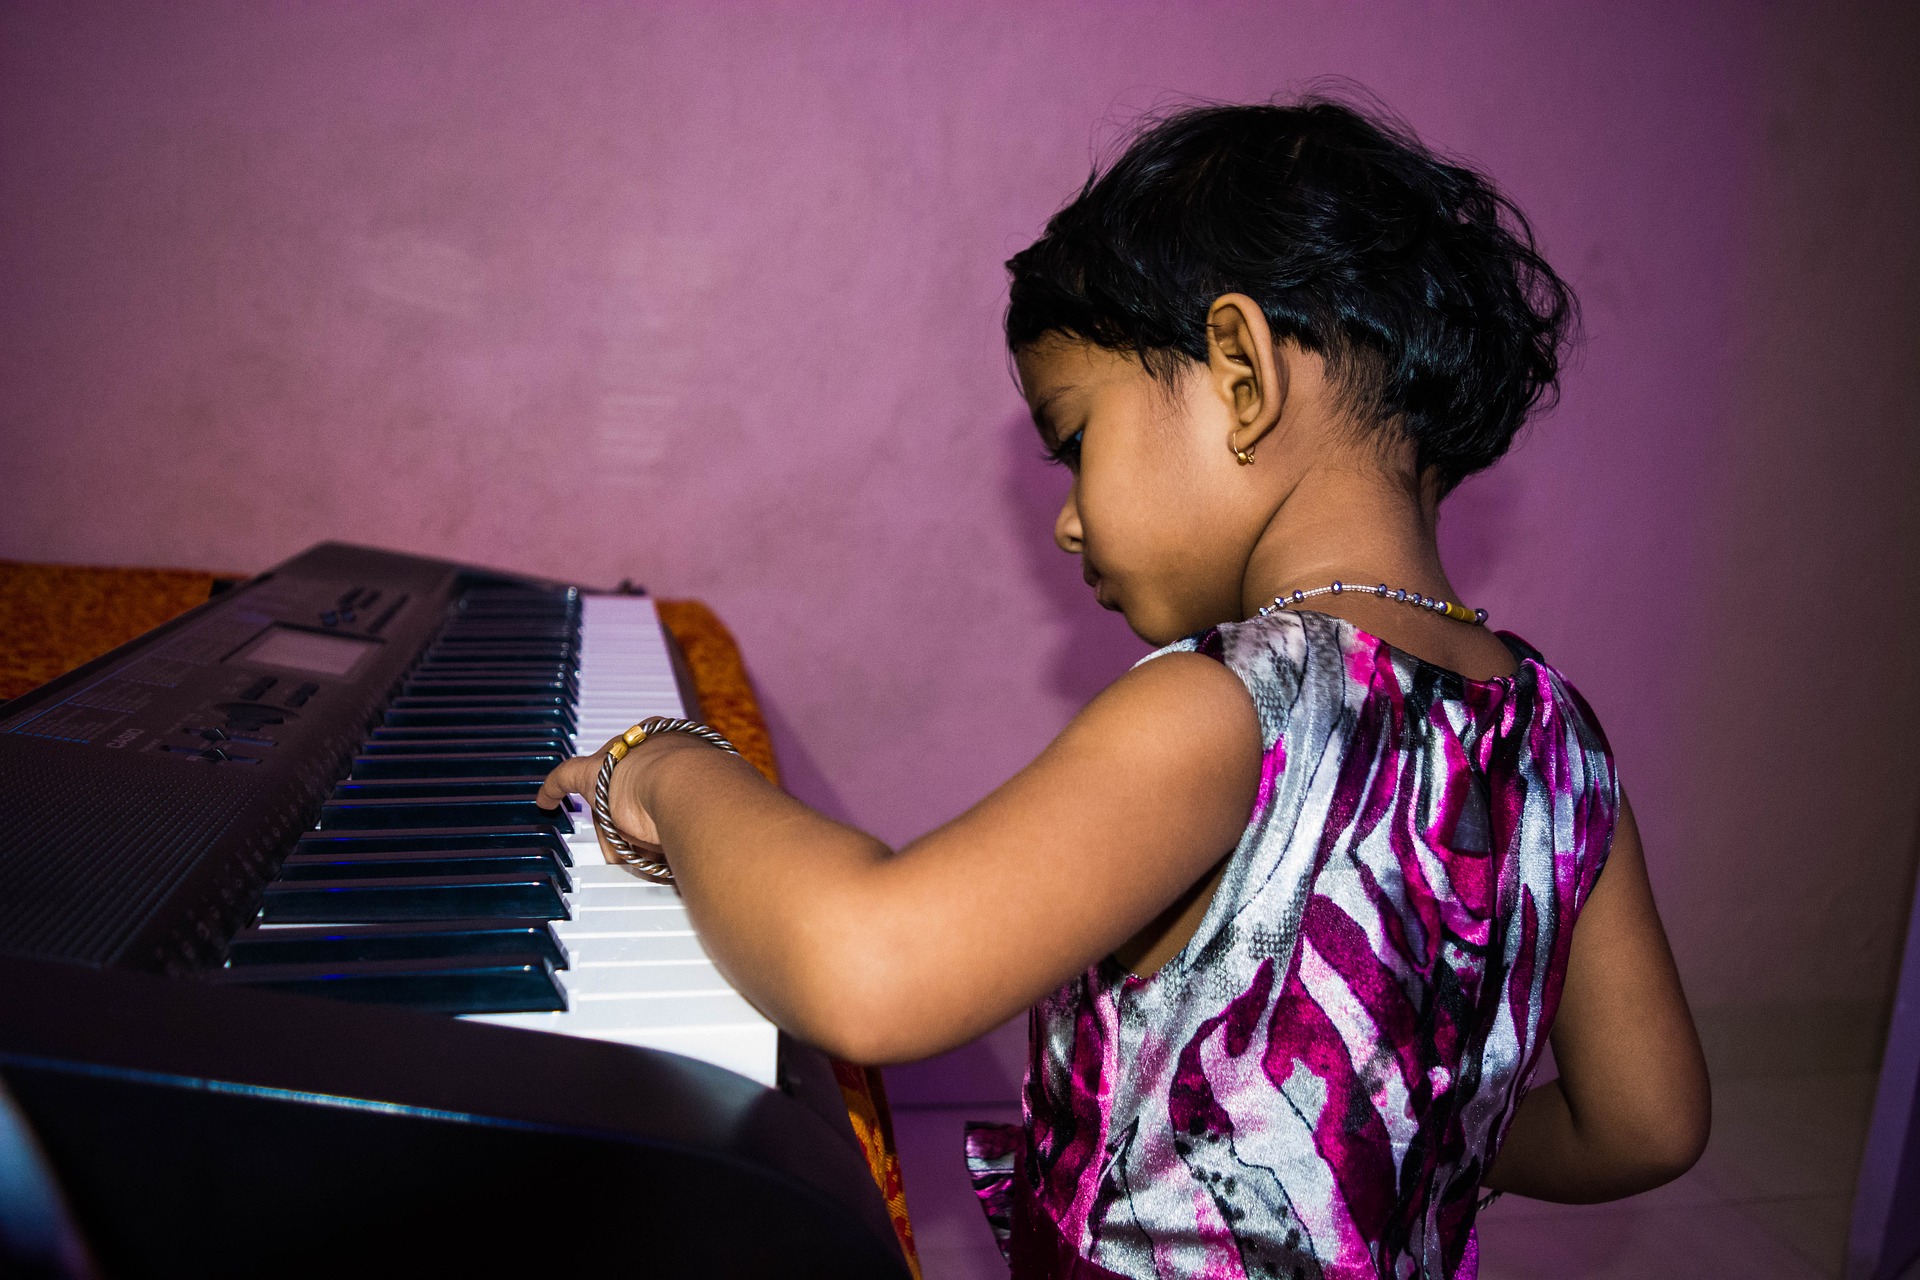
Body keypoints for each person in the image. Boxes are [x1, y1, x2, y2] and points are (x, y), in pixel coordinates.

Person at [538, 96, 1711, 1279]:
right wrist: (1411, 1143)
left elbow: (869, 964)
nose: (1065, 517)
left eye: (1074, 435)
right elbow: (1647, 1120)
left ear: (1243, 376)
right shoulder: (1559, 738)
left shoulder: (1226, 706)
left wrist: (672, 768)